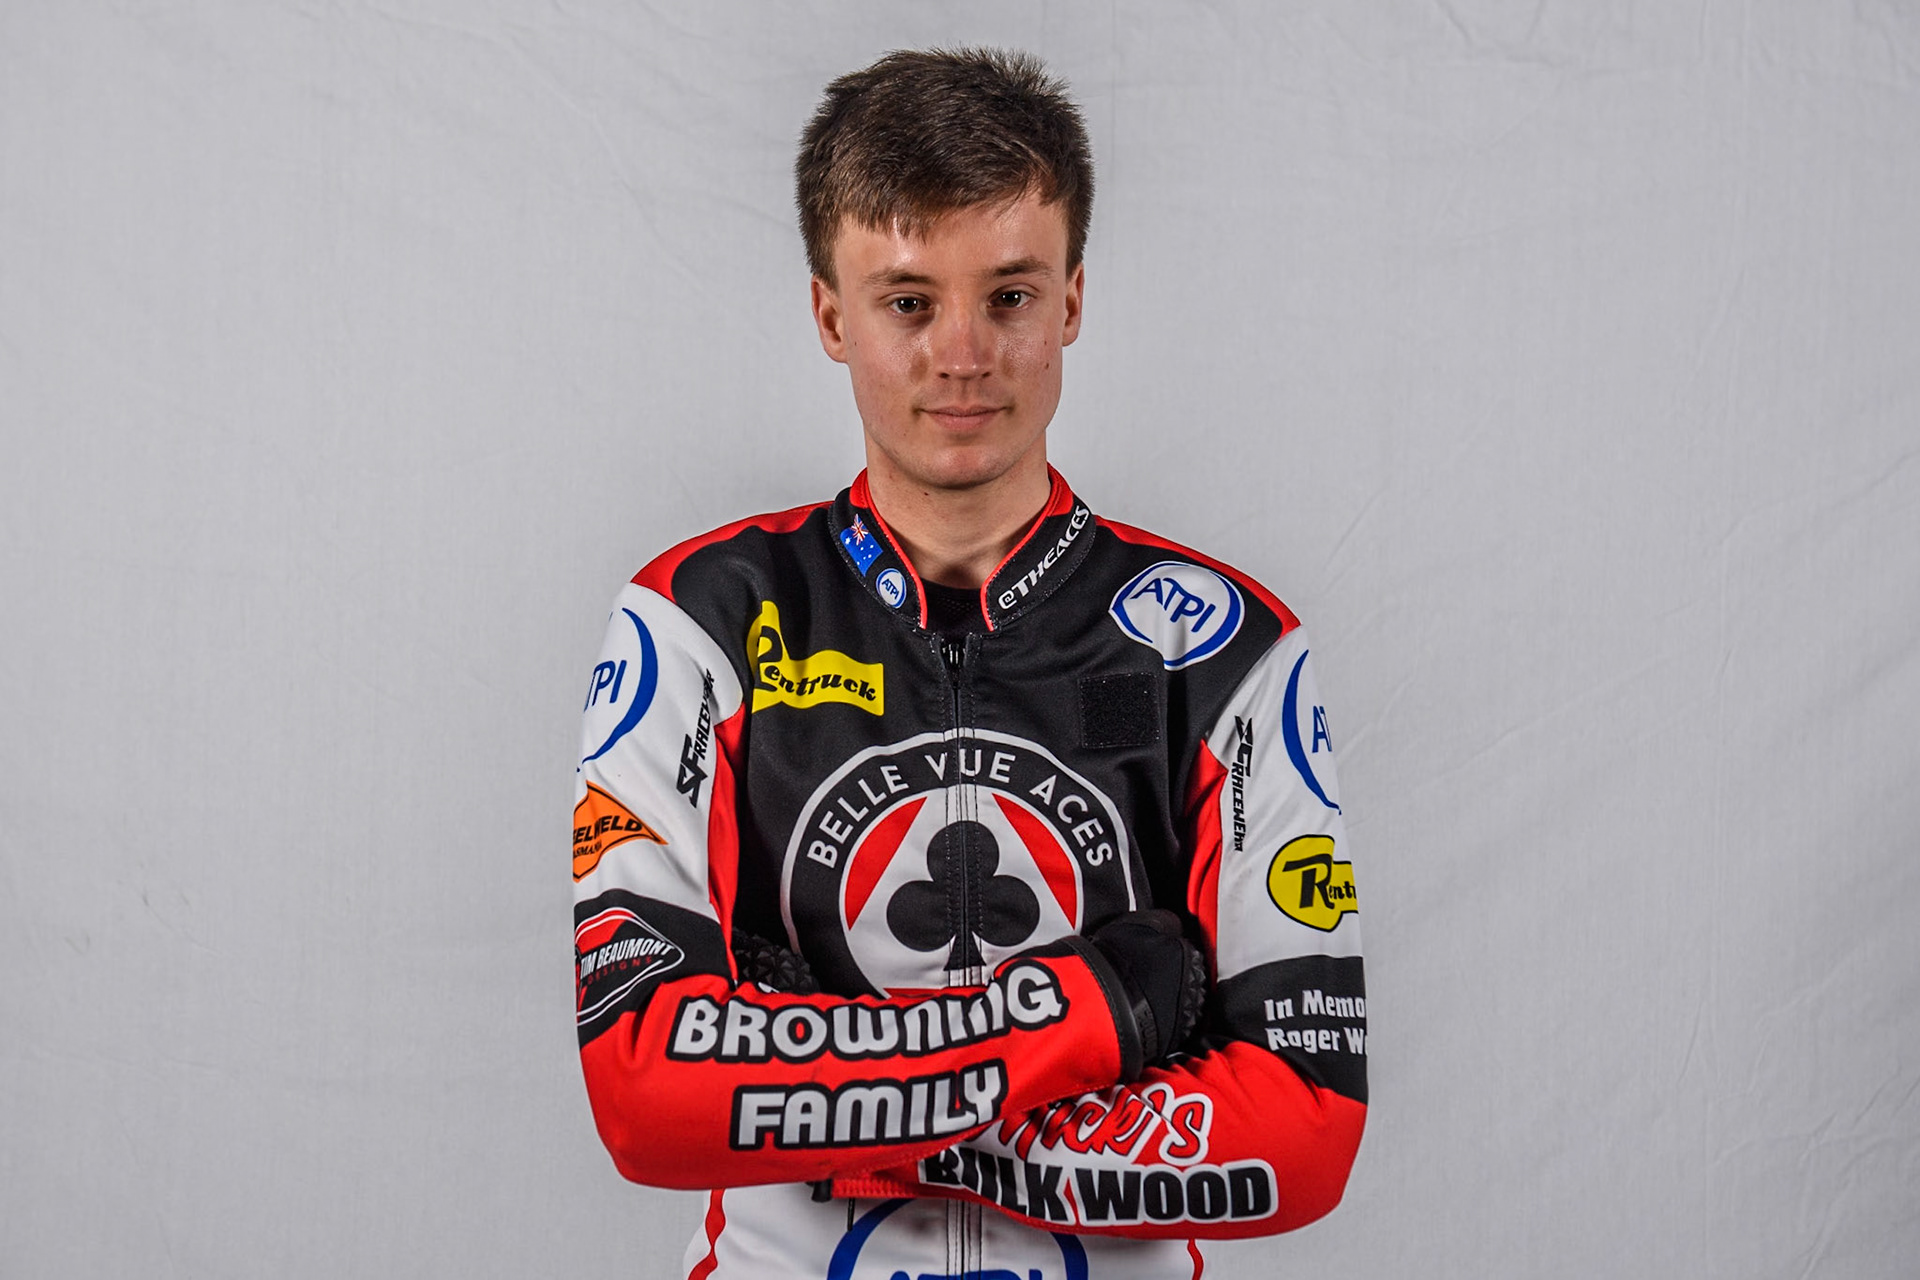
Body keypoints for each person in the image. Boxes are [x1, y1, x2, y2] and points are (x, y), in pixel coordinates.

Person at [572, 48, 1366, 1280]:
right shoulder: (698, 619)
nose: (962, 353)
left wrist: (831, 1100)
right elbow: (644, 1093)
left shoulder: (1227, 646)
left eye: (1008, 295)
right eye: (906, 301)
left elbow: (1307, 1125)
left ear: (1072, 302)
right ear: (831, 316)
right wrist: (1085, 1012)